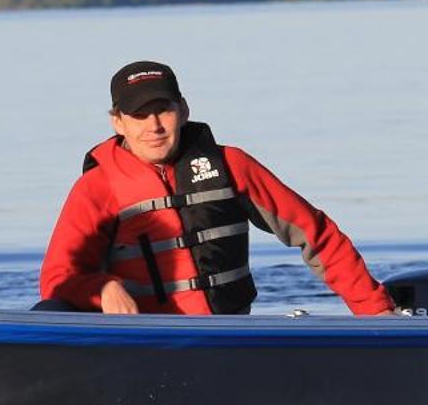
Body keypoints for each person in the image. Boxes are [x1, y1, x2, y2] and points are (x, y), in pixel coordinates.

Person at [39, 60, 393, 316]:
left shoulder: (231, 165)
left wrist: (376, 312)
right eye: (139, 115)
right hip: (143, 344)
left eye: (163, 110)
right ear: (117, 122)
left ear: (184, 110)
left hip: (226, 338)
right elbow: (57, 278)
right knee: (49, 310)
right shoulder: (96, 188)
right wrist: (101, 288)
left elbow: (317, 235)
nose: (155, 126)